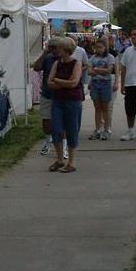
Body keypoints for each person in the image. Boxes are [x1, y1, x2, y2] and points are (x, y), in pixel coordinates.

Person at [47, 37, 83, 173]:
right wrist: (64, 83)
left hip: (73, 101)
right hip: (58, 101)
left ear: (66, 50)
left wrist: (57, 81)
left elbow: (74, 83)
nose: (56, 50)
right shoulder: (57, 63)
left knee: (72, 130)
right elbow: (49, 83)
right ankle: (60, 159)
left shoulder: (76, 63)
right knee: (56, 128)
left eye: (59, 48)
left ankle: (71, 162)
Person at [33, 37, 62, 155]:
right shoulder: (48, 58)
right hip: (47, 93)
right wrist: (45, 52)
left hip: (61, 94)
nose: (54, 50)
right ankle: (48, 140)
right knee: (46, 119)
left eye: (56, 47)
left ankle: (63, 144)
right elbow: (36, 67)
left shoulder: (65, 59)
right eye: (52, 47)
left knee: (62, 121)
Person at [88, 40, 115, 139]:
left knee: (105, 108)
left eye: (100, 47)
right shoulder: (92, 58)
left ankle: (107, 129)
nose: (98, 49)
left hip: (105, 84)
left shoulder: (110, 57)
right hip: (95, 83)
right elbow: (89, 72)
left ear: (105, 48)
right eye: (97, 47)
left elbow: (109, 71)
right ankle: (98, 129)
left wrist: (95, 69)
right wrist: (98, 71)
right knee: (97, 107)